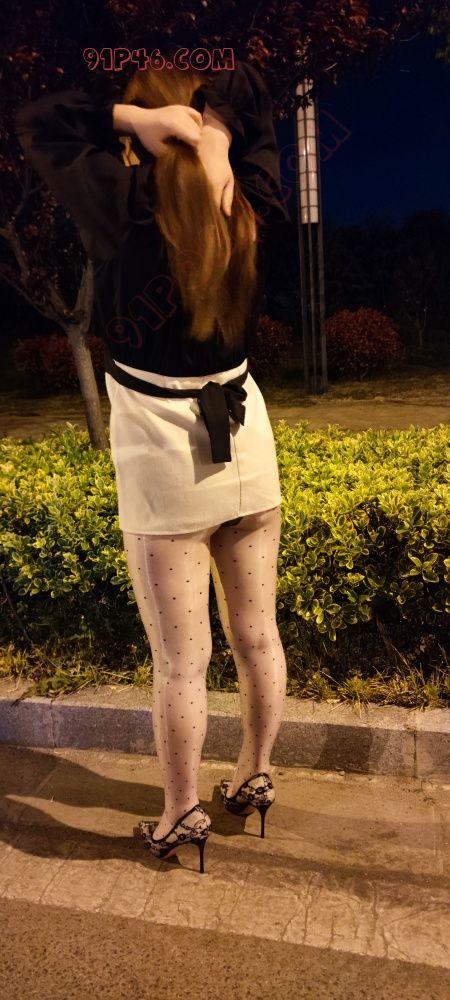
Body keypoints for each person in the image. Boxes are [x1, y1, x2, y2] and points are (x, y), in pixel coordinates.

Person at [15, 56, 291, 875]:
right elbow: (258, 90)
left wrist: (133, 120)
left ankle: (180, 815)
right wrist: (219, 136)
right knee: (257, 634)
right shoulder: (251, 198)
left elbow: (38, 119)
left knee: (180, 661)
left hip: (165, 459)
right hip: (247, 441)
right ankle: (255, 777)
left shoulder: (123, 203)